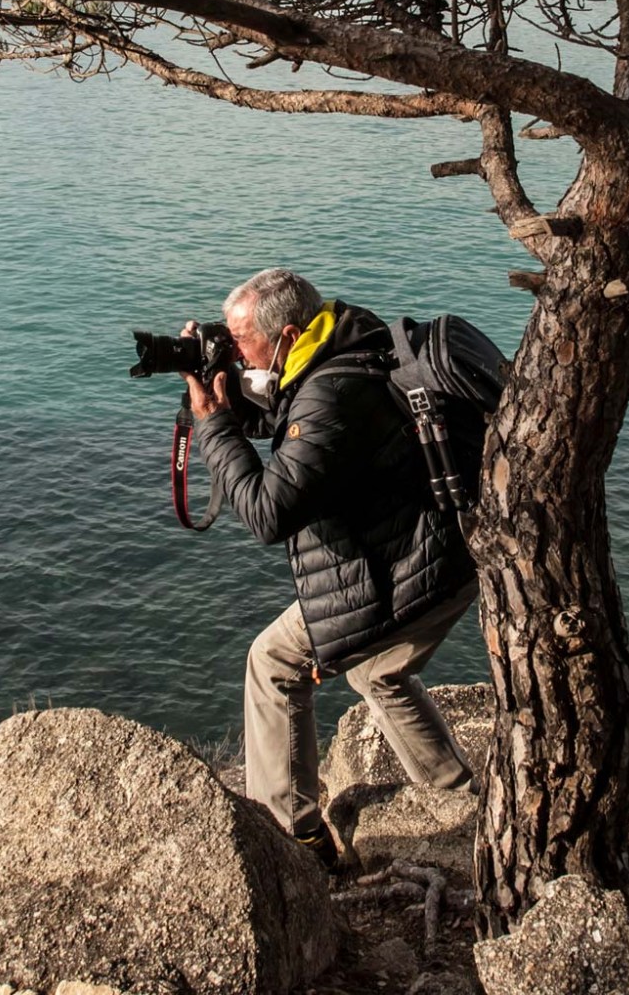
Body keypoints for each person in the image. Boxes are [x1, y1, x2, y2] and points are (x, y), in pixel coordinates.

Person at [182, 268, 478, 870]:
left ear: (288, 336)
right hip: (442, 547)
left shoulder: (331, 394)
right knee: (377, 670)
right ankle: (462, 800)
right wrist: (219, 390)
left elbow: (268, 513)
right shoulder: (346, 340)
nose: (237, 354)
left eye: (241, 342)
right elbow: (284, 416)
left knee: (272, 665)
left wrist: (211, 426)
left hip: (412, 563)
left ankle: (294, 844)